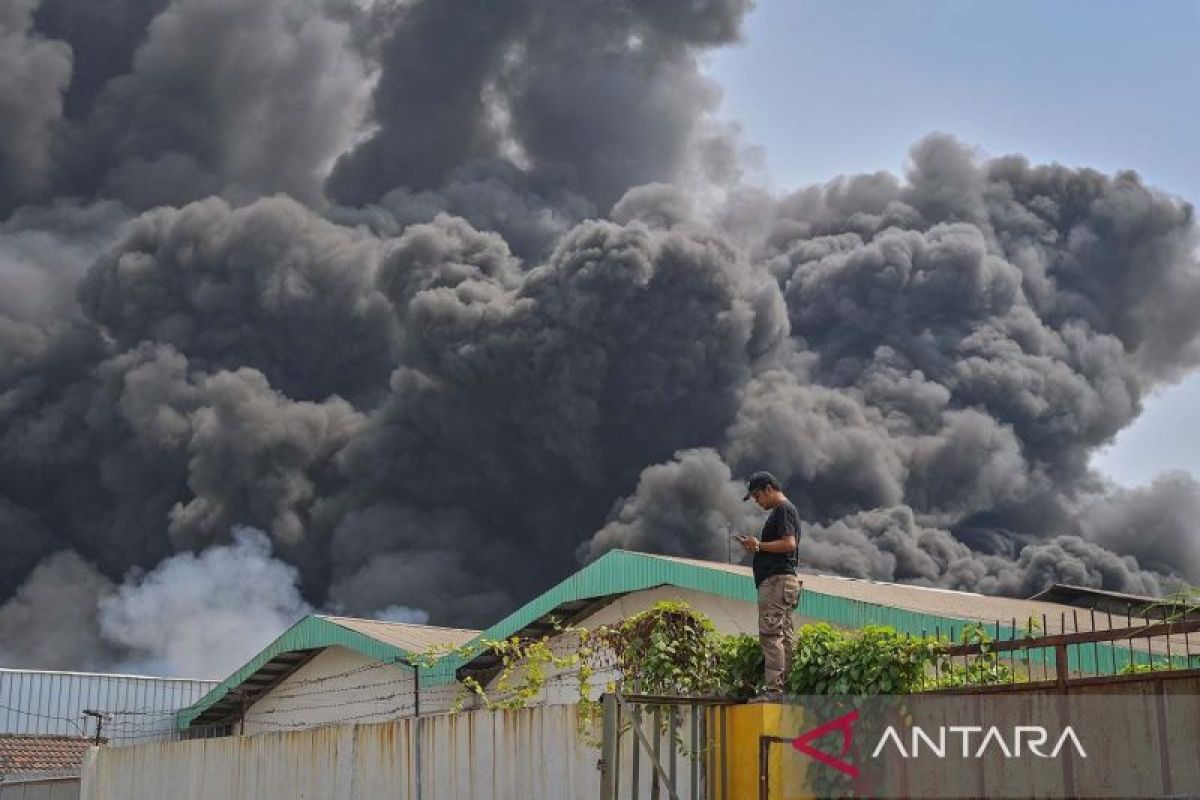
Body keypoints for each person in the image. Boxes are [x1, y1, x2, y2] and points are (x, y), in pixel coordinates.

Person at [736, 471, 801, 700]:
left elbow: (788, 544)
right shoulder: (785, 510)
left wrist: (759, 545)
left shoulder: (782, 510)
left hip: (776, 581)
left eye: (757, 496)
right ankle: (787, 690)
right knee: (784, 635)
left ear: (768, 489)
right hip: (783, 582)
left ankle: (774, 691)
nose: (757, 501)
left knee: (771, 634)